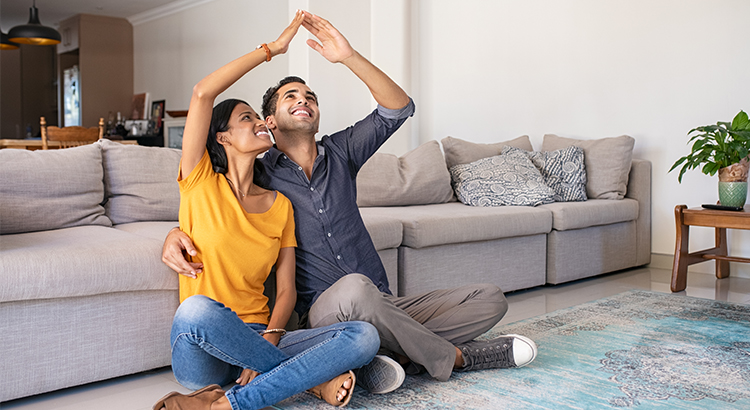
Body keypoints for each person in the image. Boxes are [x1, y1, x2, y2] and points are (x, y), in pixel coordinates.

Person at [163, 11, 537, 395]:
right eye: (289, 96)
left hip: (378, 303)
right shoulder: (260, 174)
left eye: (309, 96)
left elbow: (398, 108)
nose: (302, 100)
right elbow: (209, 194)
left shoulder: (335, 156)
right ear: (270, 123)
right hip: (327, 313)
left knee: (489, 299)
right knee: (354, 291)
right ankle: (453, 358)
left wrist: (348, 56)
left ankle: (389, 353)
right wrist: (173, 232)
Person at [153, 11, 380, 410]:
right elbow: (203, 94)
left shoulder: (279, 204)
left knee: (363, 337)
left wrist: (270, 338)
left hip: (262, 334)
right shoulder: (200, 180)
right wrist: (271, 50)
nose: (261, 124)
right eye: (247, 119)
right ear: (221, 136)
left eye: (260, 118)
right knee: (195, 310)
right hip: (204, 351)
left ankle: (227, 404)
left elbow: (287, 288)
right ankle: (309, 383)